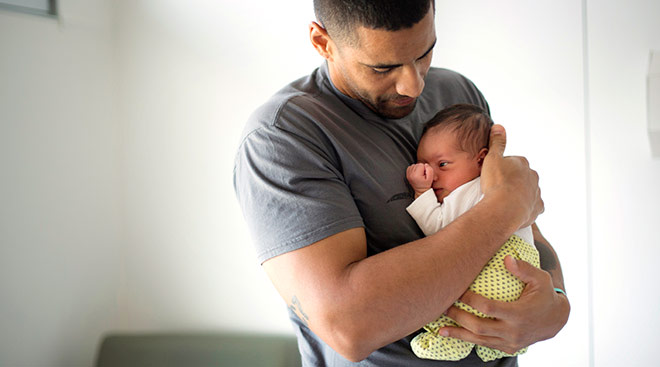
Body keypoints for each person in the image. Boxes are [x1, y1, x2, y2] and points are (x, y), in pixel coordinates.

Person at [233, 0, 570, 366]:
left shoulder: (457, 95)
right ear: (322, 41)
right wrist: (502, 209)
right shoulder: (282, 137)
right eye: (383, 67)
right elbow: (350, 328)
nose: (414, 84)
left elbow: (522, 232)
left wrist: (557, 301)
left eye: (425, 53)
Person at [405, 104, 540, 362]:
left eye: (442, 164)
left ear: (481, 159)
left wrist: (421, 192)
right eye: (424, 165)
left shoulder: (465, 192)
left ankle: (447, 341)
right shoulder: (504, 184)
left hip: (499, 269)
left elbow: (436, 227)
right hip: (523, 269)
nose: (432, 175)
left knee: (452, 308)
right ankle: (493, 347)